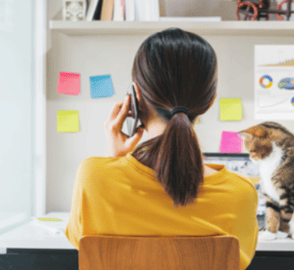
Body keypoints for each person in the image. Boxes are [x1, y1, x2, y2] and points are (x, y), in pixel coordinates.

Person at [65, 28, 258, 270]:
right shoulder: (241, 193)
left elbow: (80, 241)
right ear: (210, 100)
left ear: (135, 97)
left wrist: (113, 160)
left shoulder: (92, 175)